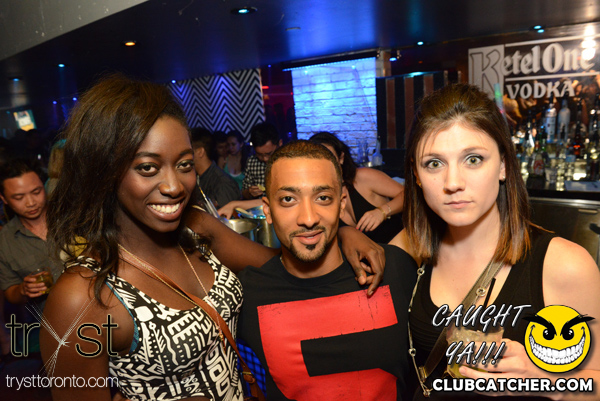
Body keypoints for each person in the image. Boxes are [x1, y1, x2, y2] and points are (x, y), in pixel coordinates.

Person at [41, 74, 387, 400]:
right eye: (147, 167)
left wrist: (341, 234)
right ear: (105, 171)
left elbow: (281, 267)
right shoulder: (81, 296)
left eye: (184, 164)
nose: (174, 186)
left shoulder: (195, 228)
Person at [390, 83, 600, 400]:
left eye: (473, 159)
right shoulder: (412, 246)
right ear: (416, 175)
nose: (453, 183)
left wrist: (547, 379)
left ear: (503, 165)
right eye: (434, 163)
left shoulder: (564, 265)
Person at [236, 140, 418, 400]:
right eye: (288, 199)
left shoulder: (393, 268)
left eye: (323, 198)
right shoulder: (246, 294)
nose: (308, 218)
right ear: (268, 210)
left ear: (341, 202)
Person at [310, 132, 405, 243]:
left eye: (330, 158)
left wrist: (382, 212)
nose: (325, 165)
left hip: (401, 247)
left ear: (341, 158)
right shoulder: (319, 198)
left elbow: (410, 195)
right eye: (318, 160)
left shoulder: (362, 177)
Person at [0, 159, 60, 306]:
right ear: (4, 199)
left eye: (36, 192)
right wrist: (22, 290)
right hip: (52, 317)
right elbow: (10, 292)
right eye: (19, 197)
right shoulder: (4, 242)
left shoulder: (72, 217)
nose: (31, 203)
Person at [191, 127, 240, 208]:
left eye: (189, 152)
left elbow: (224, 214)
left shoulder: (222, 183)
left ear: (200, 152)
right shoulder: (196, 177)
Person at [242, 122, 281, 200]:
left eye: (269, 154)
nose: (265, 159)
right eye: (259, 154)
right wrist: (249, 192)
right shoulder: (252, 162)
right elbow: (244, 193)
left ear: (280, 143)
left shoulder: (289, 161)